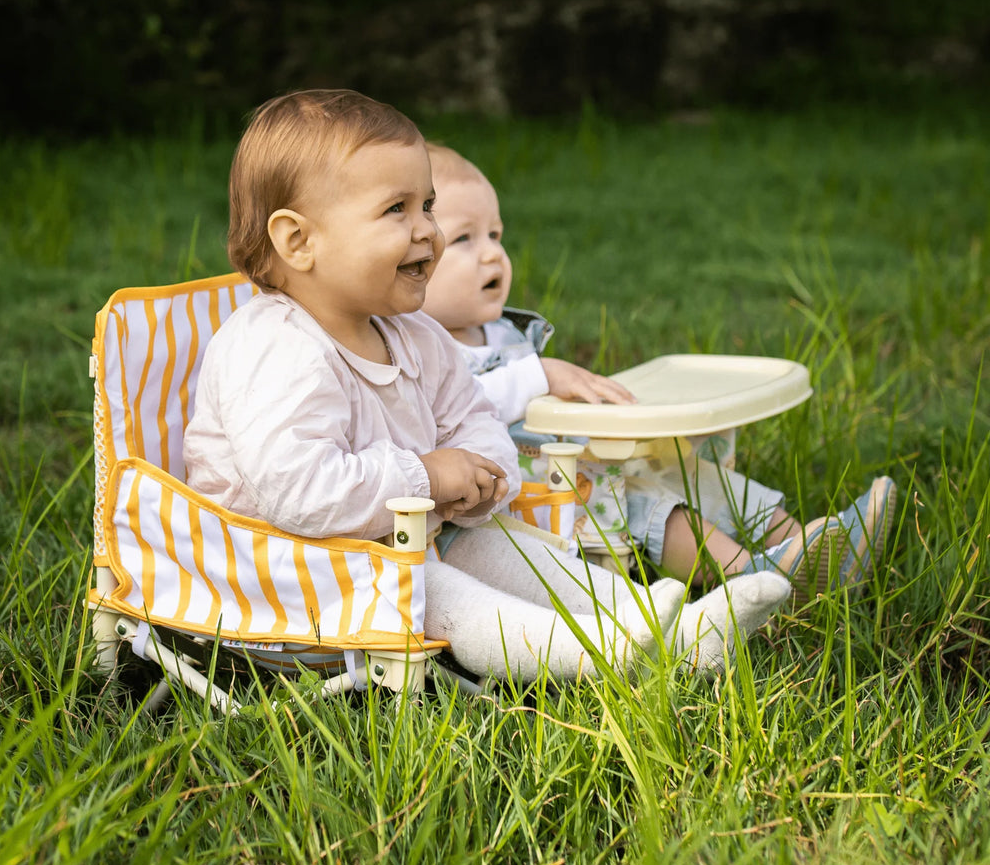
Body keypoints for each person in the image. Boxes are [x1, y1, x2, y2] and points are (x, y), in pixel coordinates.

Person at [183, 88, 785, 682]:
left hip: (397, 538)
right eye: (397, 209)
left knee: (514, 549)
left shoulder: (411, 331)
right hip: (282, 576)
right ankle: (601, 654)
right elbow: (301, 492)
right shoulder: (276, 349)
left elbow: (470, 414)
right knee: (437, 590)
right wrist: (428, 476)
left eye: (428, 205)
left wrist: (484, 472)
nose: (427, 230)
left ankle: (655, 622)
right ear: (299, 241)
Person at [420, 141, 898, 605]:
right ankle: (758, 583)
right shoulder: (419, 348)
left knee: (689, 473)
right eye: (464, 238)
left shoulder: (502, 333)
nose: (492, 255)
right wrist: (539, 374)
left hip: (587, 462)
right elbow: (456, 408)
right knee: (650, 502)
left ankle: (809, 545)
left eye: (496, 235)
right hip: (538, 499)